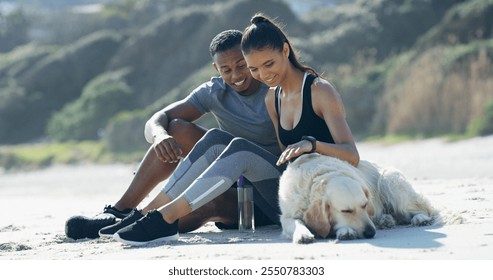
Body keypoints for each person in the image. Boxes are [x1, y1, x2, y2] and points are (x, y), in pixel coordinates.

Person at [111, 13, 359, 246]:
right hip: (287, 193)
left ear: (285, 50)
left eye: (268, 64)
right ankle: (145, 213)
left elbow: (352, 155)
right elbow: (285, 163)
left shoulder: (320, 91)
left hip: (318, 192)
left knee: (240, 149)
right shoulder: (273, 98)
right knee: (216, 137)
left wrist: (311, 145)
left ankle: (163, 218)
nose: (263, 74)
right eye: (255, 69)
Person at [66, 29, 280, 239]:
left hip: (265, 192)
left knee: (206, 202)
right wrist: (160, 136)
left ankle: (148, 221)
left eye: (242, 65)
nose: (236, 75)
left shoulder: (273, 88)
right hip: (233, 176)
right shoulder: (214, 91)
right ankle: (120, 214)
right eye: (226, 69)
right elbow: (158, 119)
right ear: (216, 68)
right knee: (176, 129)